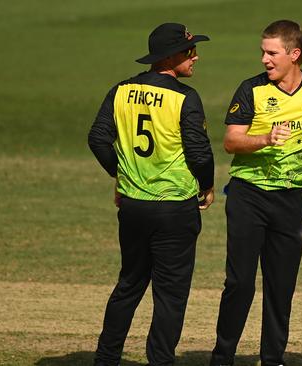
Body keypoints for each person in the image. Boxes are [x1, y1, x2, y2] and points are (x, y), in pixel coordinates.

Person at [209, 20, 302, 366]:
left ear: (294, 54)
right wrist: (264, 139)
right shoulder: (251, 90)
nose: (264, 59)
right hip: (247, 196)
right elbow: (231, 141)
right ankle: (222, 357)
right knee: (240, 283)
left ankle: (272, 358)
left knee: (281, 287)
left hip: (289, 199)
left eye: (271, 53)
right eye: (263, 52)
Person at [87, 22, 214, 366]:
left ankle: (106, 358)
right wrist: (206, 186)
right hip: (174, 208)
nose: (195, 56)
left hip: (132, 207)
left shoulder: (121, 90)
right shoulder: (185, 98)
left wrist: (120, 172)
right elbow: (199, 153)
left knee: (129, 284)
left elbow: (97, 138)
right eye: (189, 51)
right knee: (170, 295)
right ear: (170, 57)